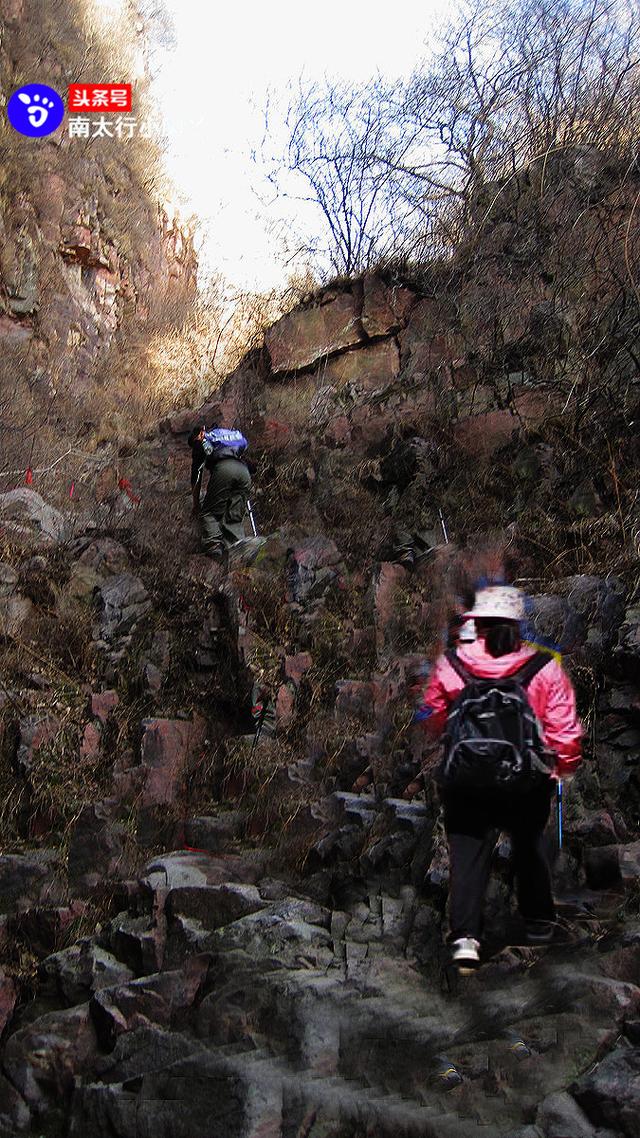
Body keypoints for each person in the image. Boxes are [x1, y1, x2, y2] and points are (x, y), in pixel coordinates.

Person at [417, 585, 582, 971]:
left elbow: (433, 714)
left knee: (468, 856)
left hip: (465, 782)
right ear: (518, 624)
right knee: (529, 845)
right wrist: (564, 767)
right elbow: (564, 730)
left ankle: (465, 941)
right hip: (523, 782)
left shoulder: (452, 664)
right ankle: (539, 922)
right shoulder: (543, 667)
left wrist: (457, 737)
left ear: (480, 623)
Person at [188, 422, 252, 560]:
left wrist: (196, 505)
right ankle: (239, 552)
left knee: (209, 512)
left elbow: (196, 477)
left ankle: (214, 546)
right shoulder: (223, 437)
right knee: (234, 517)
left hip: (224, 470)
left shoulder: (200, 443)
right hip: (244, 472)